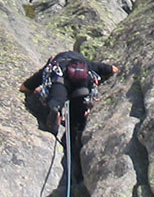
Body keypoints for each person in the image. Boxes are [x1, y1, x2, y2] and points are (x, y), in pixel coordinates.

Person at [20, 50, 120, 191]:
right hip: (82, 83)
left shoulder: (54, 65)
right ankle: (76, 137)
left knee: (57, 98)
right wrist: (116, 70)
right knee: (77, 118)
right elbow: (110, 69)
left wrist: (30, 90)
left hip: (60, 81)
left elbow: (26, 86)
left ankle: (55, 109)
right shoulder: (86, 64)